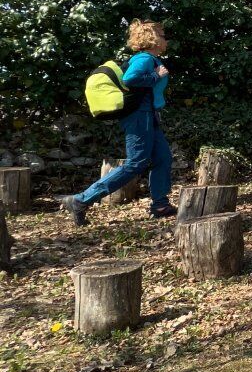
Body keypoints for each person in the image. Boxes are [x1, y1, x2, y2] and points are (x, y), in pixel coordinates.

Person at [63, 20, 176, 225]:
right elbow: (131, 78)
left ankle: (160, 204)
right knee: (136, 162)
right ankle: (80, 200)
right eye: (162, 36)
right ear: (153, 40)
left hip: (149, 115)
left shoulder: (150, 59)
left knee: (163, 157)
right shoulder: (144, 59)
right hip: (139, 116)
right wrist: (155, 75)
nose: (166, 40)